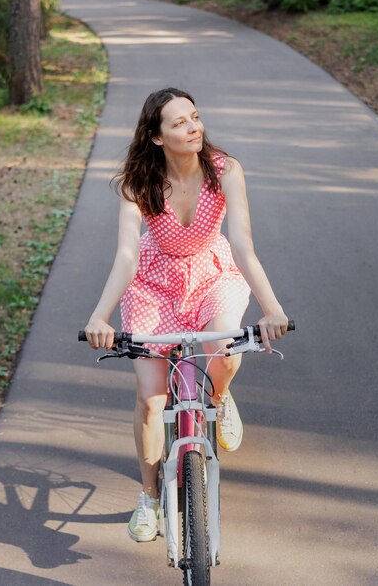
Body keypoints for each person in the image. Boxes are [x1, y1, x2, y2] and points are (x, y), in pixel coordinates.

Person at [84, 88, 288, 543]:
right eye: (179, 123)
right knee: (153, 398)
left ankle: (218, 398)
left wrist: (272, 306)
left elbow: (242, 244)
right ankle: (150, 498)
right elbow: (125, 255)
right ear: (156, 137)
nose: (193, 127)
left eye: (194, 117)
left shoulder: (225, 171)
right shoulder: (138, 183)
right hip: (153, 283)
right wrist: (100, 316)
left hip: (213, 273)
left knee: (226, 347)